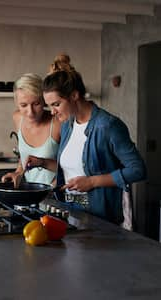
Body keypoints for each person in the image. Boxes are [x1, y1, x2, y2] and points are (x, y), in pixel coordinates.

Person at [26, 66, 146, 225]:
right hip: (71, 212)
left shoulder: (108, 126)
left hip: (100, 218)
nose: (52, 112)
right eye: (49, 106)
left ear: (74, 95)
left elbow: (138, 170)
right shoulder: (68, 125)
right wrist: (41, 163)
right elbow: (73, 169)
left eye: (56, 104)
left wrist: (92, 182)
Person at [1, 73, 61, 187]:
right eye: (23, 105)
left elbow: (72, 168)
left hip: (55, 194)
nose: (30, 112)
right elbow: (24, 156)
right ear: (16, 103)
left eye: (36, 104)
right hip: (29, 193)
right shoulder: (17, 118)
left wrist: (52, 190)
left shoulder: (58, 123)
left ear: (44, 100)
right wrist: (18, 172)